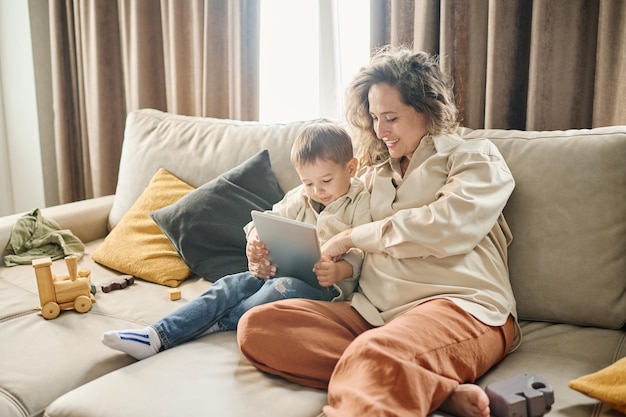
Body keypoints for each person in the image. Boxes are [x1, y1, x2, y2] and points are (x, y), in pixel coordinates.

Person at [237, 47, 521, 417]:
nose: (380, 130)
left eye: (391, 117)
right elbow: (300, 200)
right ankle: (433, 387)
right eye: (374, 117)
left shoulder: (474, 158)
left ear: (425, 109)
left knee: (376, 351)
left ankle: (379, 383)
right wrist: (259, 242)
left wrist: (352, 237)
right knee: (259, 326)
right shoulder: (371, 175)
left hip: (460, 307)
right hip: (373, 315)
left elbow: (447, 227)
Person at [102, 123, 371, 360]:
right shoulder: (301, 196)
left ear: (351, 168)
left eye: (326, 180)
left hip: (327, 292)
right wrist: (255, 239)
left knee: (280, 288)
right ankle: (155, 335)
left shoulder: (361, 201)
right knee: (229, 284)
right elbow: (265, 220)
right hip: (279, 274)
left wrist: (339, 270)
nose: (317, 191)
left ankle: (217, 322)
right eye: (308, 183)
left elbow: (360, 250)